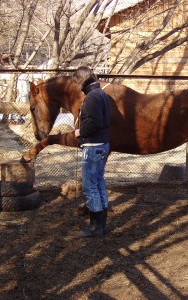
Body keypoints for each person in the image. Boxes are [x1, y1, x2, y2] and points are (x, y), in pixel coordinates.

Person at [73, 66, 111, 237]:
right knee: (98, 183)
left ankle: (95, 226)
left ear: (83, 81)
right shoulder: (102, 94)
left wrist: (80, 132)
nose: (78, 87)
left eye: (77, 83)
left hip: (93, 146)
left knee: (89, 187)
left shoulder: (93, 97)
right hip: (102, 145)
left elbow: (95, 122)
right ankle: (102, 225)